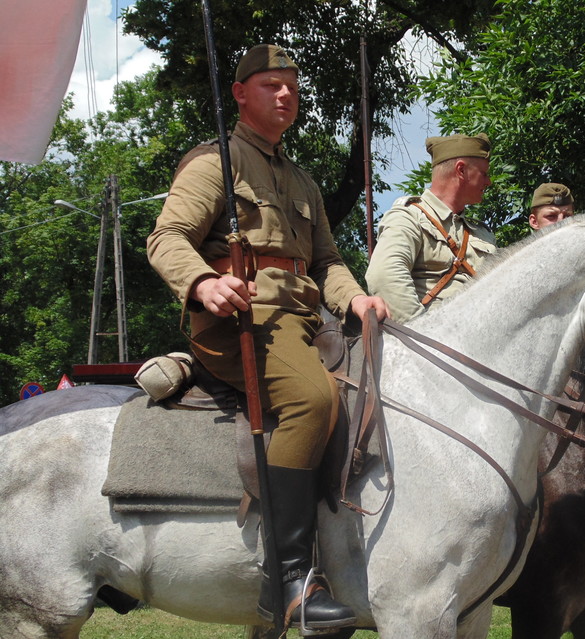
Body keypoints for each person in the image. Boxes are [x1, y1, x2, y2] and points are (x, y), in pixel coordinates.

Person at [146, 44, 388, 631]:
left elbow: (327, 260)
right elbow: (166, 237)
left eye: (292, 87)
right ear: (240, 94)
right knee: (311, 399)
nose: (285, 95)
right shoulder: (215, 165)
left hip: (308, 319)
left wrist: (353, 297)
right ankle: (290, 580)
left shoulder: (302, 180)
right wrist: (203, 283)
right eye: (270, 86)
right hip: (242, 322)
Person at [364, 133, 497, 322]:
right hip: (430, 344)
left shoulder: (483, 233)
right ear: (461, 170)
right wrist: (423, 333)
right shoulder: (409, 218)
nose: (488, 181)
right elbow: (384, 276)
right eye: (484, 173)